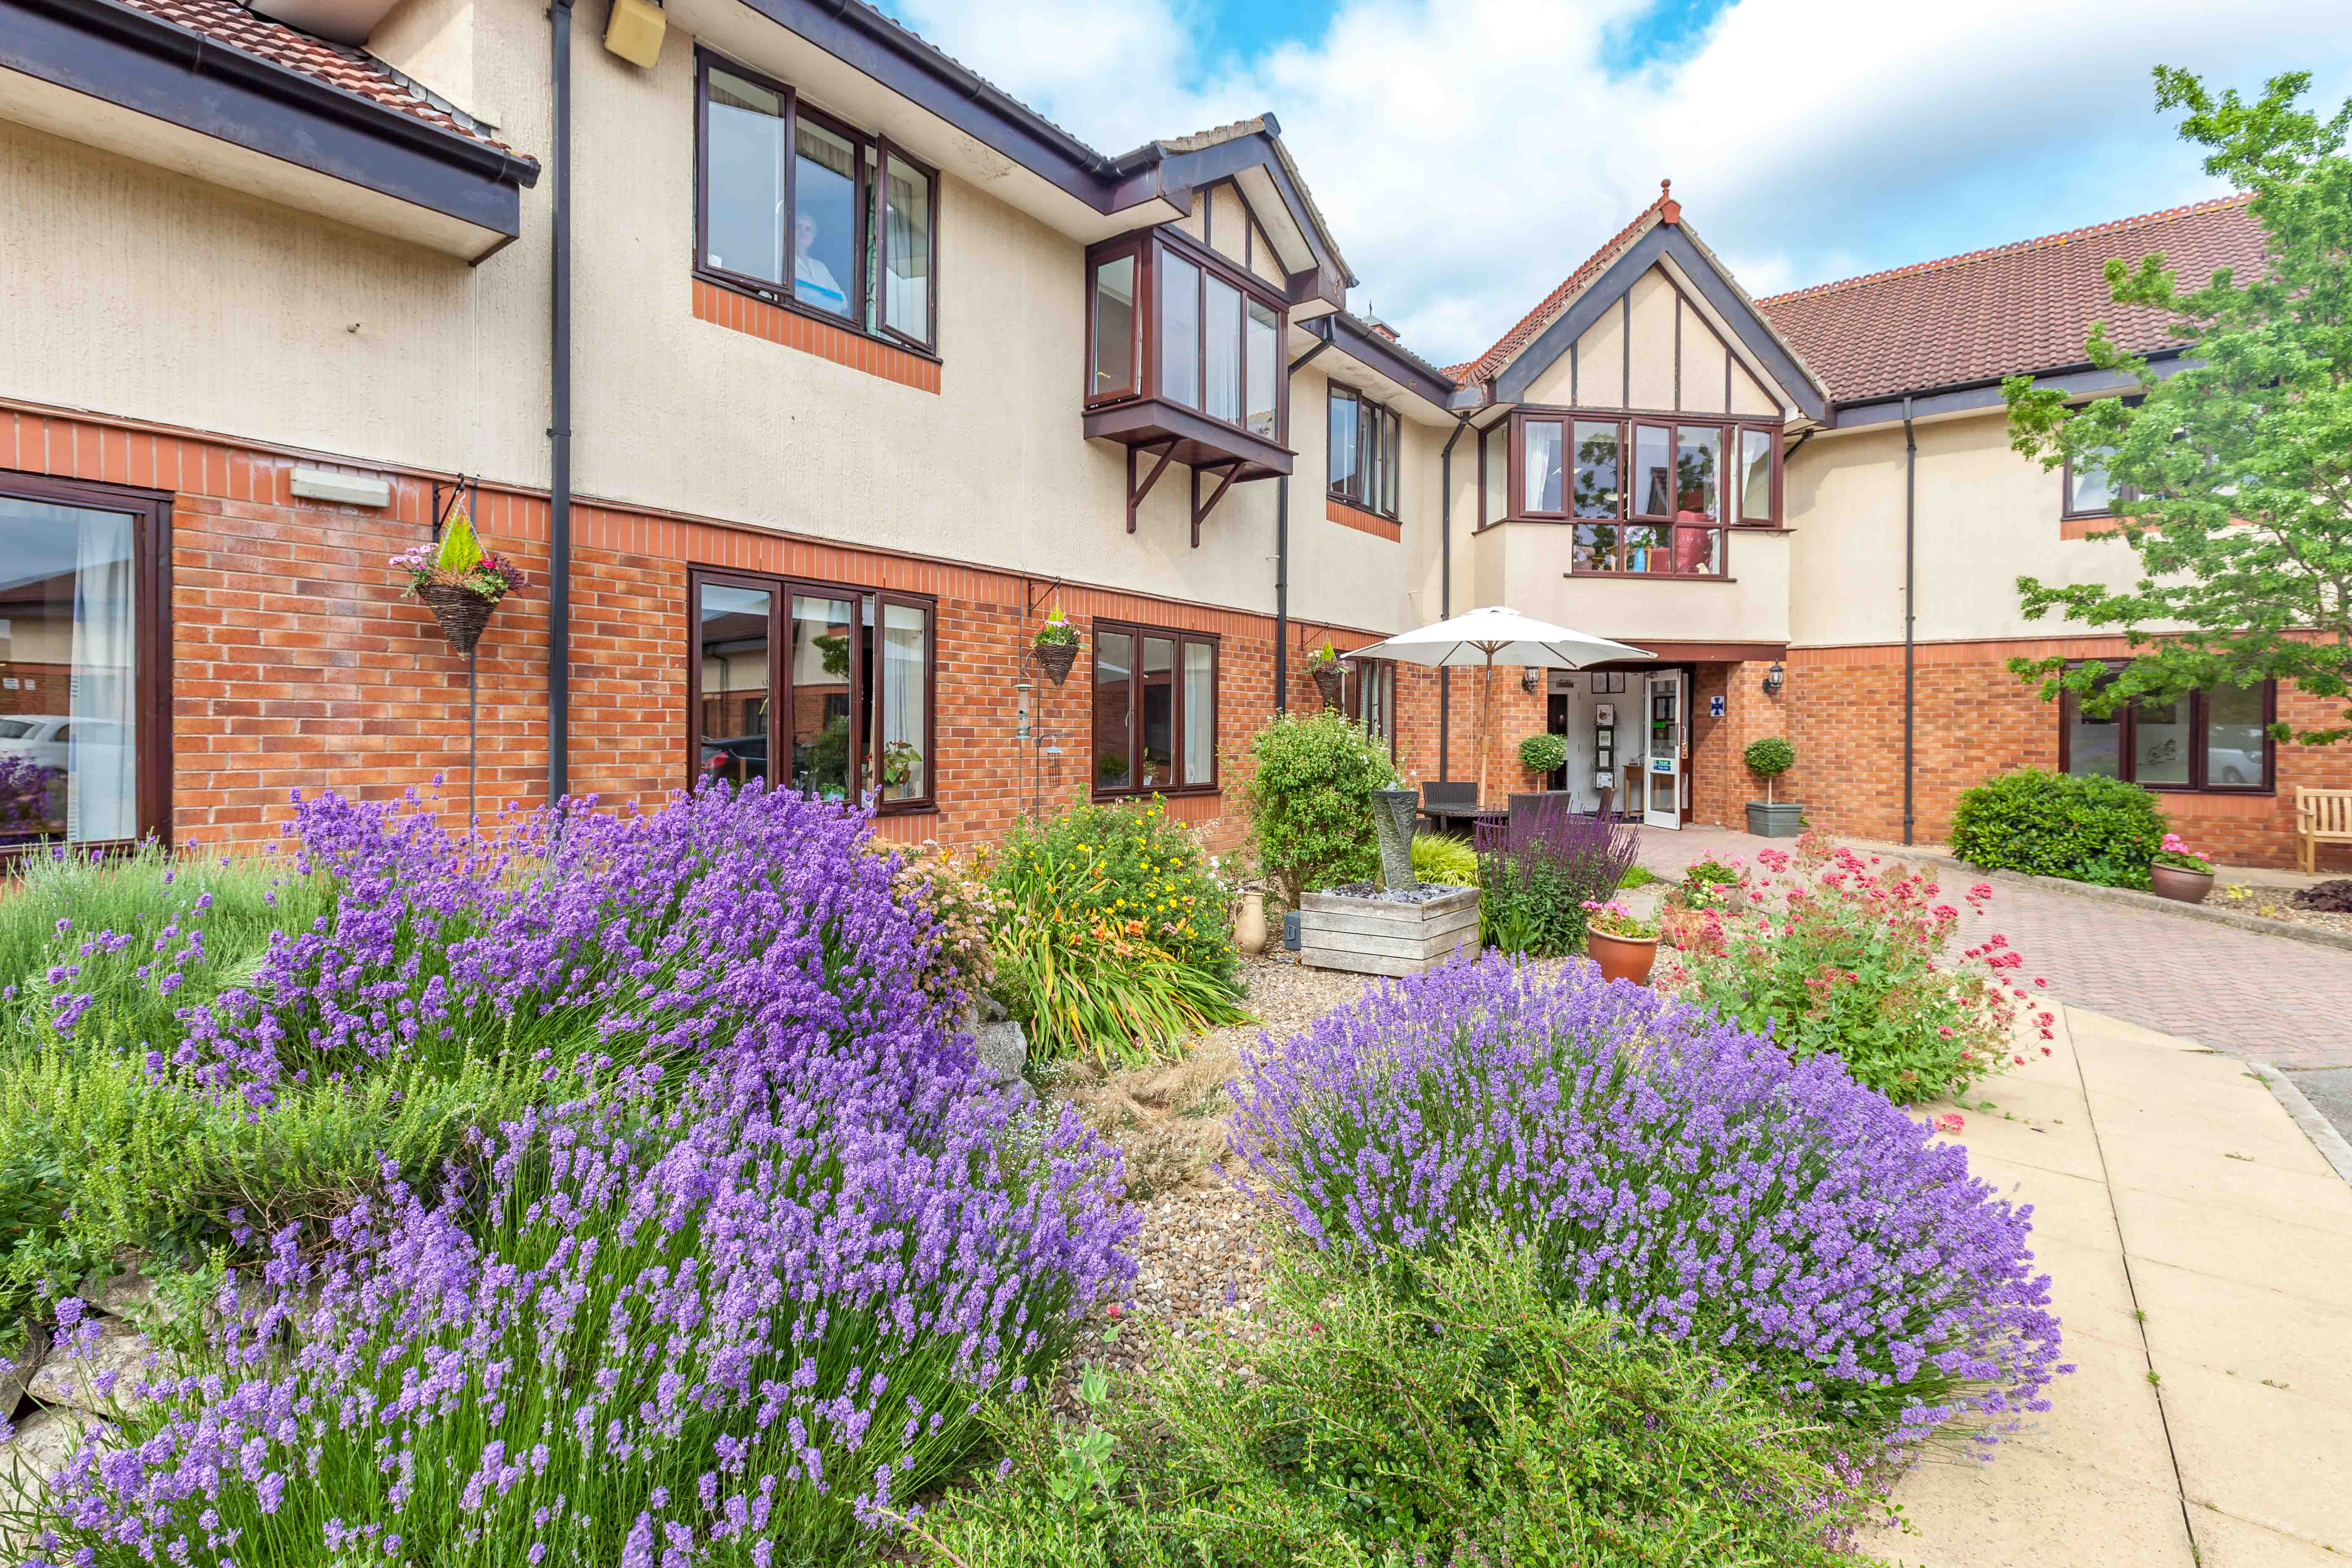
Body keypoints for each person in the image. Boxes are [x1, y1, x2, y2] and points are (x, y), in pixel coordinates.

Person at [794, 211, 847, 316]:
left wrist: (812, 297)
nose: (803, 233)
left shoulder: (820, 267)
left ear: (813, 236)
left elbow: (843, 302)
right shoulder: (783, 262)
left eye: (808, 229)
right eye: (799, 227)